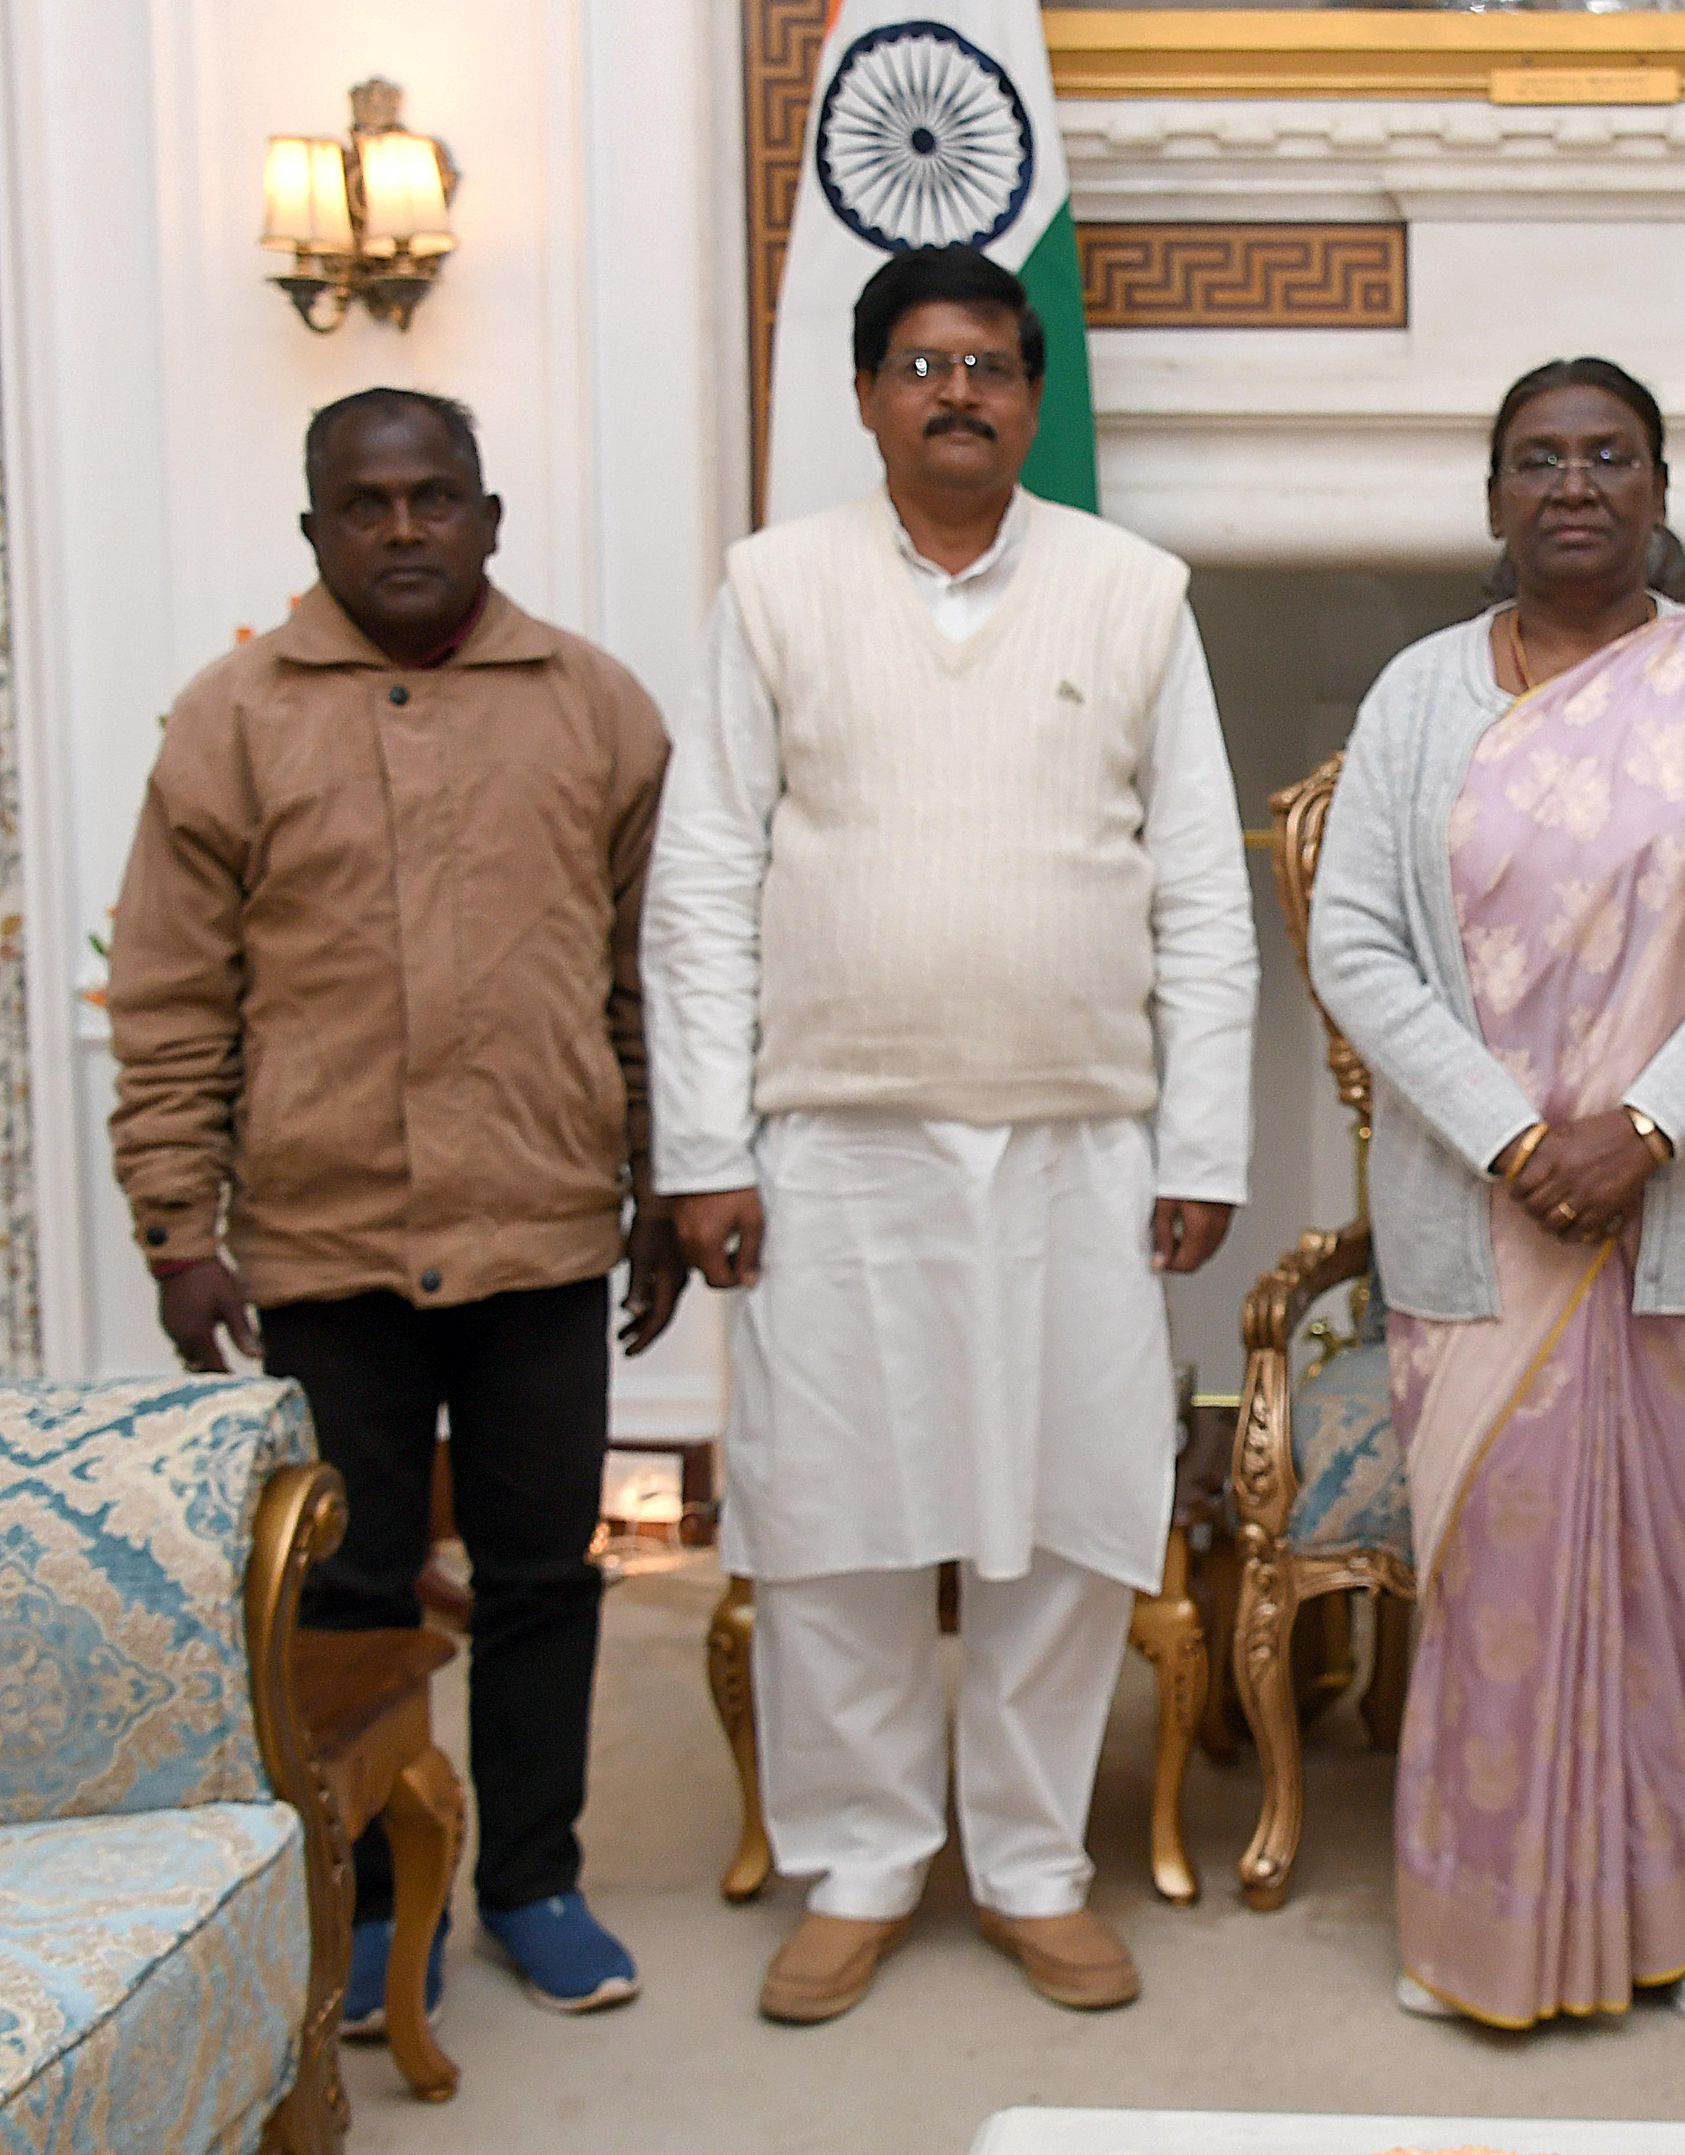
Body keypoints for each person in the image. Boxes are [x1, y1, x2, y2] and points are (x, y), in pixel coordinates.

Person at [643, 245, 1256, 2025]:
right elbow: (704, 883)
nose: (957, 394)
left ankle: (1034, 1865)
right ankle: (860, 1860)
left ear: (1034, 398)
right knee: (835, 1515)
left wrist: (1203, 1143)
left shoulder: (1134, 592)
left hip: (1080, 1145)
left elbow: (1202, 893)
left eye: (988, 366)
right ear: (865, 396)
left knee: (1065, 1516)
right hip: (837, 1146)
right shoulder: (774, 588)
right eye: (921, 366)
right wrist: (704, 1149)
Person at [1309, 357, 1685, 2030]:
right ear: (1495, 497)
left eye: (1609, 454)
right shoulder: (1417, 696)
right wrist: (1517, 1140)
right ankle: (1474, 1926)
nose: (1573, 483)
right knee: (1494, 1584)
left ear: (1659, 485)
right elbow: (1354, 940)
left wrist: (1644, 1129)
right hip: (1478, 1222)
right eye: (1538, 457)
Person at [108, 387, 684, 2026]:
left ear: (490, 517)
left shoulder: (595, 707)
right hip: (324, 1244)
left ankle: (532, 1882)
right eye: (367, 505)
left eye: (436, 496)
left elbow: (654, 980)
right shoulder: (231, 718)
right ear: (316, 532)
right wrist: (178, 1226)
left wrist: (660, 1186)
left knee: (542, 1577)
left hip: (539, 1230)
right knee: (349, 1593)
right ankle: (373, 1900)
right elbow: (171, 994)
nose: (406, 527)